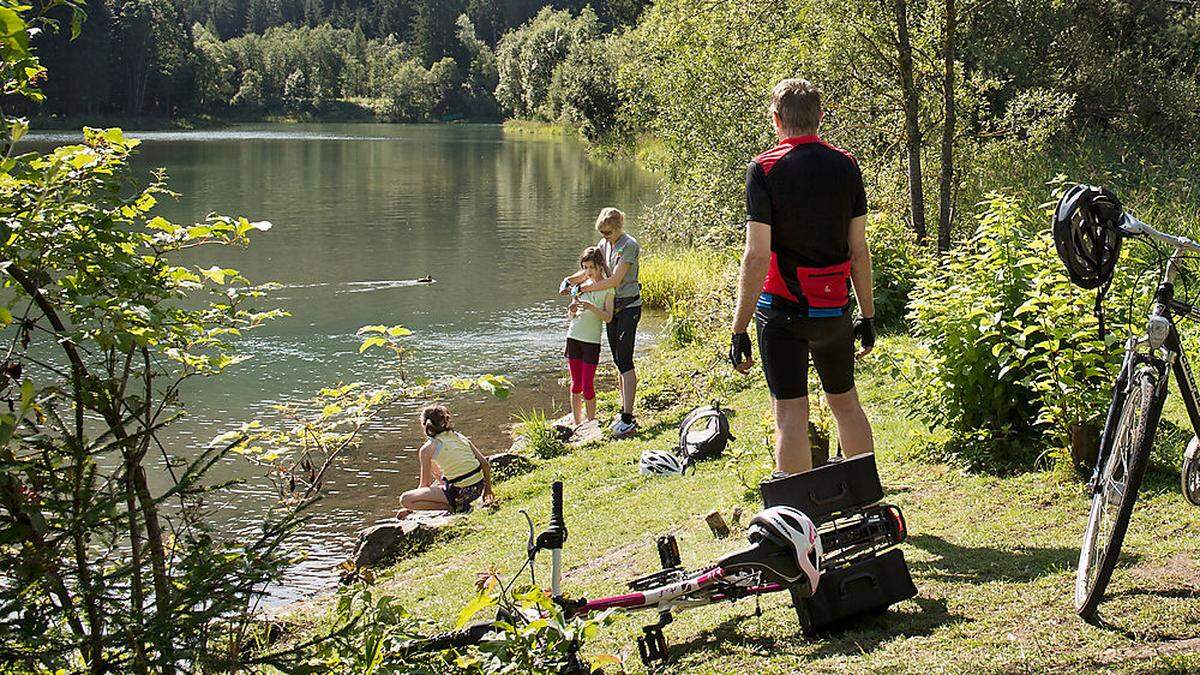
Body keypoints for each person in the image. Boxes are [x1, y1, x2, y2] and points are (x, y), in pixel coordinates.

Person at [728, 78, 877, 477]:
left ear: (776, 120)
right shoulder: (846, 165)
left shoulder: (763, 169)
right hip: (834, 310)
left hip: (782, 312)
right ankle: (866, 498)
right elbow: (859, 251)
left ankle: (798, 518)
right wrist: (868, 316)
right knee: (846, 404)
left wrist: (739, 328)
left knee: (790, 414)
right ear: (820, 117)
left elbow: (757, 255)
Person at [561, 208, 642, 437]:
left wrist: (585, 288)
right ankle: (623, 409)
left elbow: (615, 280)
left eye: (608, 231)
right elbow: (591, 270)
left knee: (625, 360)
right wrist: (570, 281)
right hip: (613, 309)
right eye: (602, 232)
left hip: (628, 307)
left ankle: (628, 416)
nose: (605, 236)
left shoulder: (629, 245)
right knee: (617, 359)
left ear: (619, 227)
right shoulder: (604, 244)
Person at [397, 405, 496, 518]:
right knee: (434, 464)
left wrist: (410, 509)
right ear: (446, 421)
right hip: (478, 488)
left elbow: (425, 485)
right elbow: (485, 464)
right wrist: (488, 490)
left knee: (405, 499)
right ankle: (454, 501)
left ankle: (454, 508)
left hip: (460, 493)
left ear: (424, 425)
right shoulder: (459, 437)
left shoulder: (427, 449)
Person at [565, 247, 616, 425]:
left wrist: (592, 307)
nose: (587, 272)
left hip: (591, 341)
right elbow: (571, 315)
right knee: (575, 384)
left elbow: (608, 318)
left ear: (599, 266)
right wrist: (571, 310)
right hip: (573, 337)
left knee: (587, 385)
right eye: (584, 268)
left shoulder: (608, 289)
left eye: (591, 268)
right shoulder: (580, 288)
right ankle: (578, 423)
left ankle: (592, 423)